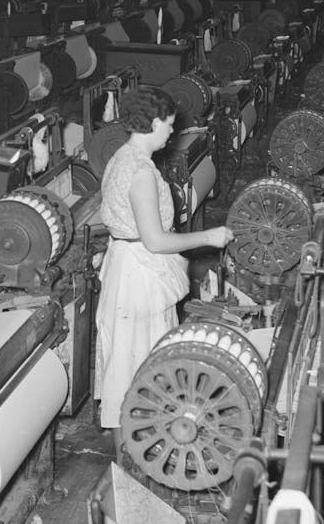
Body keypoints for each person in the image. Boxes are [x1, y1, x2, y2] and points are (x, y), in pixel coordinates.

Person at [94, 86, 234, 461]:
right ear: (153, 123)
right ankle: (132, 461)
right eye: (169, 125)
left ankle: (139, 452)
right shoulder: (139, 172)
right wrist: (210, 236)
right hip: (139, 275)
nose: (172, 132)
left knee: (132, 363)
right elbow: (155, 240)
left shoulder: (123, 158)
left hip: (130, 267)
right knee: (135, 366)